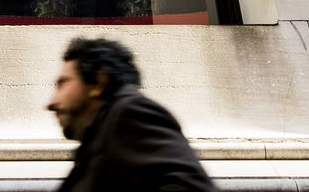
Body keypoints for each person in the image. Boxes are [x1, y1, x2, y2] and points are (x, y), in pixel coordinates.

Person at [47, 38, 215, 192]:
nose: (51, 103)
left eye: (63, 84)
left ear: (98, 82)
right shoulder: (98, 136)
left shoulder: (130, 112)